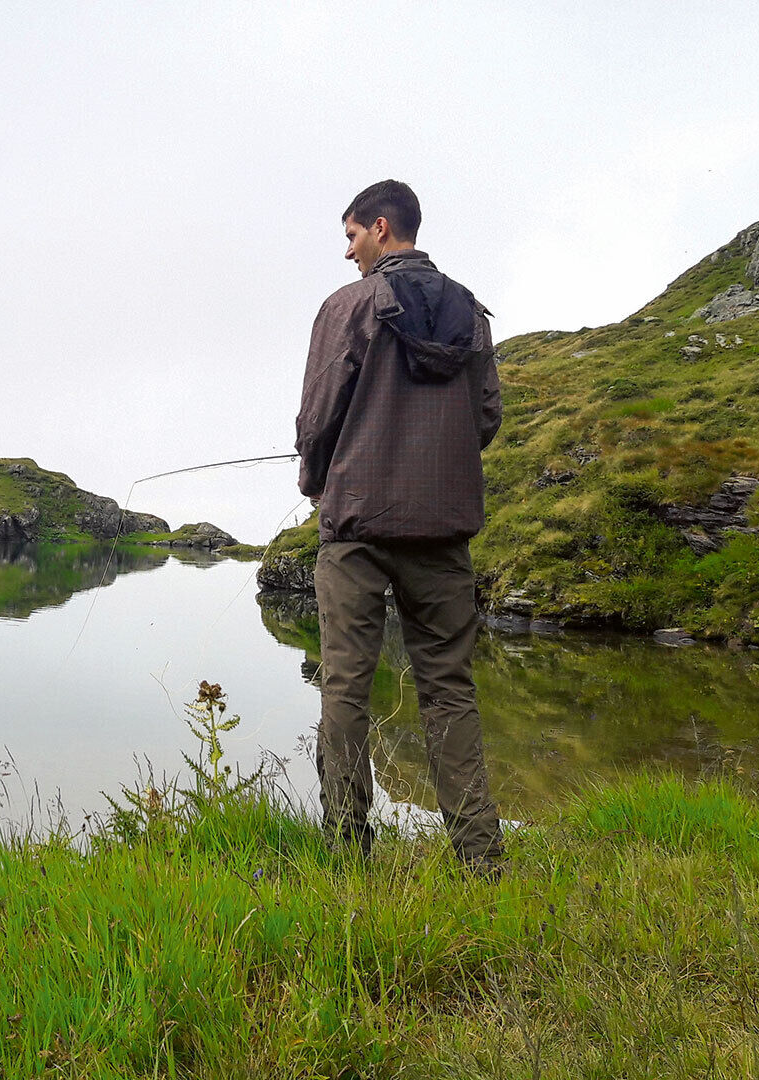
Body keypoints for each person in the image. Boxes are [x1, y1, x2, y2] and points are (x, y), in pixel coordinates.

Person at [294, 178, 504, 873]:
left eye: (351, 235)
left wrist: (316, 483)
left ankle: (350, 857)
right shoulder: (471, 314)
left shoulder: (348, 306)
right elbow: (486, 421)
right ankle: (480, 860)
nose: (348, 251)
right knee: (449, 690)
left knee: (346, 687)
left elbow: (318, 417)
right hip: (443, 530)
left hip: (355, 526)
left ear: (381, 228)